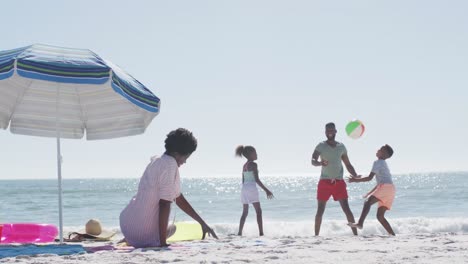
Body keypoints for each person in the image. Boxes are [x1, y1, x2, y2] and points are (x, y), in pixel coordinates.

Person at [119, 128, 218, 248]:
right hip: (142, 235)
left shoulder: (156, 160)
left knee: (169, 227)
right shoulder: (170, 165)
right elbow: (164, 204)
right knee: (172, 229)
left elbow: (178, 197)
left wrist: (202, 223)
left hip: (127, 224)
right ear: (176, 154)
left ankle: (130, 238)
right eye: (186, 157)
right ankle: (142, 238)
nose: (185, 162)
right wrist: (162, 243)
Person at [311, 122, 359, 236]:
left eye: (332, 130)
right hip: (324, 182)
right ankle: (316, 236)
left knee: (347, 209)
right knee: (320, 210)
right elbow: (313, 161)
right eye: (327, 130)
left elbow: (348, 164)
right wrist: (320, 163)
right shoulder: (321, 146)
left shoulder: (341, 147)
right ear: (325, 132)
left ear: (336, 131)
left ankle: (355, 235)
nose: (330, 132)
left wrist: (355, 175)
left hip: (339, 182)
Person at [347, 144, 396, 236]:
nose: (378, 150)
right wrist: (369, 193)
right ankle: (392, 234)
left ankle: (360, 223)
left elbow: (369, 178)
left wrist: (355, 180)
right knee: (380, 216)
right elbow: (379, 184)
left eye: (381, 149)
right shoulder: (383, 164)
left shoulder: (378, 162)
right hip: (391, 190)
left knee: (367, 202)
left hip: (385, 187)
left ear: (385, 154)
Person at [235, 145, 274, 236]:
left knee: (245, 212)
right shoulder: (253, 164)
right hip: (251, 188)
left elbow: (243, 180)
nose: (257, 154)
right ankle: (261, 233)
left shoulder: (245, 165)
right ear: (250, 154)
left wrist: (245, 189)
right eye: (255, 153)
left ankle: (240, 232)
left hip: (244, 188)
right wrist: (267, 190)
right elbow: (256, 179)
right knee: (258, 211)